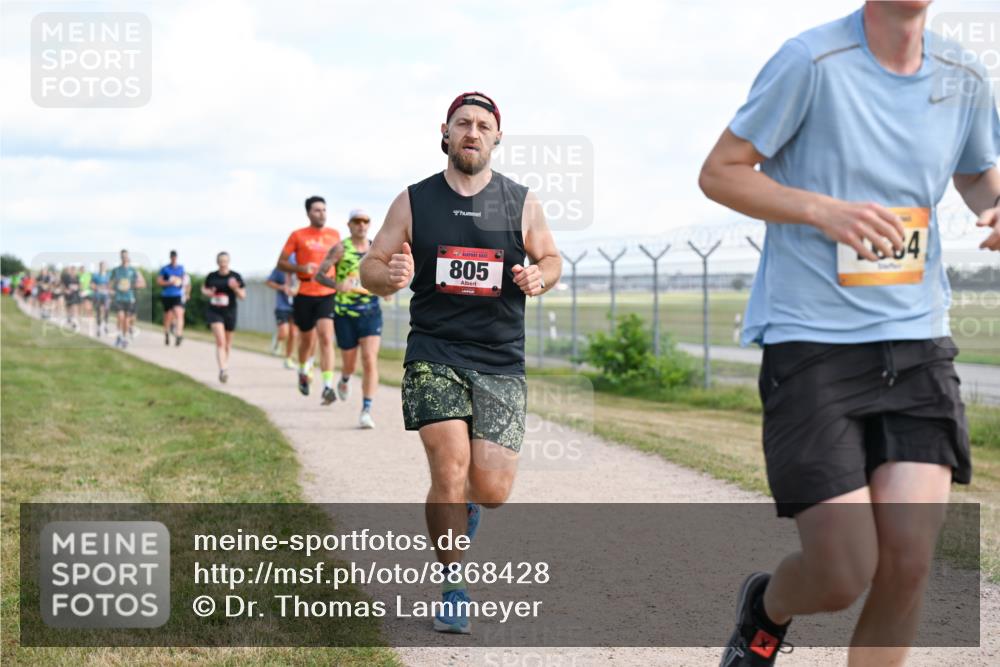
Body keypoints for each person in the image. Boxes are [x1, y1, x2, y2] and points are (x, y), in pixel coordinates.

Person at [698, 3, 1000, 664]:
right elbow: (720, 171)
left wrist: (996, 204)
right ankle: (767, 607)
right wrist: (821, 209)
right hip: (813, 345)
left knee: (910, 560)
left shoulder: (963, 74)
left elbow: (976, 172)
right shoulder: (810, 62)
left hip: (917, 341)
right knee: (842, 571)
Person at [360, 91, 562, 634]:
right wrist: (390, 276)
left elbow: (550, 256)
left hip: (499, 359)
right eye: (462, 123)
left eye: (482, 125)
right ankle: (453, 588)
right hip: (435, 353)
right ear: (445, 134)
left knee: (491, 491)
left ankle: (467, 511)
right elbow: (369, 266)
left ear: (497, 138)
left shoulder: (519, 201)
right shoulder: (414, 200)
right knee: (449, 469)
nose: (472, 132)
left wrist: (540, 275)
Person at [317, 208, 381, 428]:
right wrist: (337, 285)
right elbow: (319, 275)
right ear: (349, 225)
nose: (361, 225)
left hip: (371, 312)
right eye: (357, 221)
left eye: (365, 221)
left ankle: (366, 410)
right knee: (350, 365)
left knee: (370, 359)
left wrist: (387, 288)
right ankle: (344, 379)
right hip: (345, 314)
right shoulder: (340, 248)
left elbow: (385, 274)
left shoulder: (376, 248)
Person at [276, 196, 342, 404]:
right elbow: (281, 263)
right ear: (308, 213)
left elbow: (339, 263)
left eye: (324, 209)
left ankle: (328, 386)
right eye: (316, 210)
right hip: (304, 292)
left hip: (327, 292)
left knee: (325, 337)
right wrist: (300, 268)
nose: (321, 213)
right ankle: (304, 369)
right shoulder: (298, 235)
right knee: (307, 340)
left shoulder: (335, 235)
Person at [201, 252, 246, 383]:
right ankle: (223, 369)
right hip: (215, 311)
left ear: (229, 262)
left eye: (225, 261)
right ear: (217, 262)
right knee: (220, 341)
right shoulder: (212, 276)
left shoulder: (235, 276)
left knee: (227, 343)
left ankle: (225, 365)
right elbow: (204, 289)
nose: (223, 263)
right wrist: (208, 292)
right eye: (221, 261)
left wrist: (235, 289)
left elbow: (243, 296)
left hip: (230, 312)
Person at [109, 250, 146, 348]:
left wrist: (131, 286)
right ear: (120, 257)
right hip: (119, 298)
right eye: (122, 257)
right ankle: (119, 336)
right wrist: (111, 290)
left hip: (130, 299)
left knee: (126, 320)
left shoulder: (134, 271)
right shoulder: (116, 270)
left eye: (125, 256)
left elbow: (143, 283)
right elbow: (110, 284)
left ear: (128, 257)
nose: (124, 258)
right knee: (120, 317)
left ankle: (124, 338)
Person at [266, 256, 298, 369]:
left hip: (297, 306)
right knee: (284, 332)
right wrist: (281, 287)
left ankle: (288, 359)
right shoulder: (279, 270)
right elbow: (268, 282)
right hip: (282, 305)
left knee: (294, 334)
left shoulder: (301, 272)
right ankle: (278, 340)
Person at [157, 250, 186, 346]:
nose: (174, 258)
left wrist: (181, 284)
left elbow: (184, 280)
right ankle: (166, 333)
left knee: (179, 314)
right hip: (167, 295)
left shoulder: (181, 268)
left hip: (178, 295)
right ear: (170, 257)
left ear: (177, 257)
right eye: (172, 257)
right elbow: (159, 282)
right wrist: (170, 282)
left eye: (175, 257)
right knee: (168, 317)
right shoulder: (165, 269)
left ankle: (179, 335)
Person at [91, 261, 111, 336]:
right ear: (99, 267)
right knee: (99, 311)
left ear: (106, 267)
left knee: (106, 310)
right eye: (101, 266)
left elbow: (111, 284)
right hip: (98, 295)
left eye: (104, 266)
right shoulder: (96, 275)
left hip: (106, 295)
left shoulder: (109, 275)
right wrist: (97, 287)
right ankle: (99, 328)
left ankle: (106, 324)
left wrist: (108, 288)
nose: (102, 267)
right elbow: (92, 285)